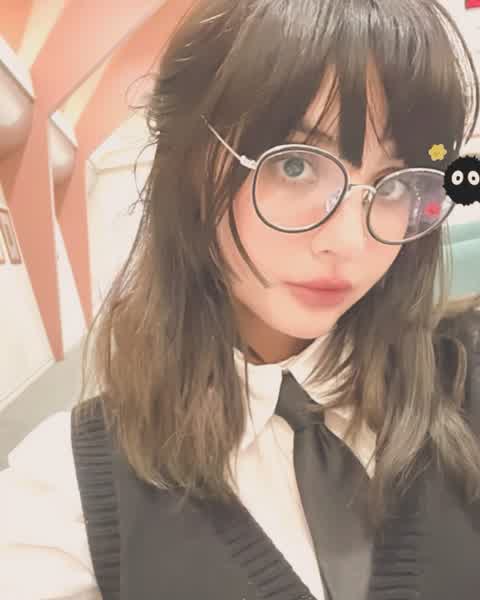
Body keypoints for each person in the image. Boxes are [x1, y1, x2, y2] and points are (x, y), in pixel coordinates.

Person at [1, 0, 480, 598]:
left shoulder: (464, 383)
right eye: (296, 166)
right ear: (188, 167)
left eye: (396, 183)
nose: (349, 242)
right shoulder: (66, 491)